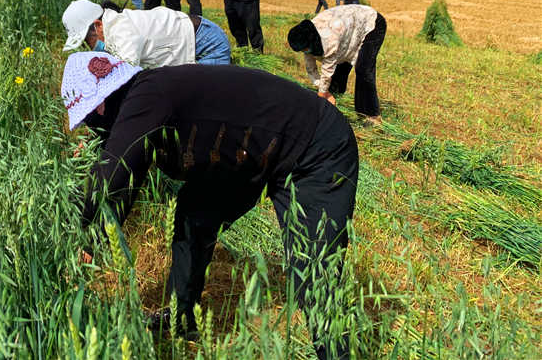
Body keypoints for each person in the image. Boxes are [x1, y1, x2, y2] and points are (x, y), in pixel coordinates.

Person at [61, 52, 357, 360]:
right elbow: (125, 182)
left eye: (87, 119)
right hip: (248, 153)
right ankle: (182, 318)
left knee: (313, 269)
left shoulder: (147, 97)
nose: (90, 129)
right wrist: (92, 243)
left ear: (101, 103)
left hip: (316, 147)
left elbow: (109, 176)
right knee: (194, 216)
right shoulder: (145, 102)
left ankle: (335, 355)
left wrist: (59, 220)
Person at [287, 4, 386, 122]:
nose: (305, 52)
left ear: (313, 41)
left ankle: (371, 115)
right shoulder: (307, 35)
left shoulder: (329, 40)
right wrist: (323, 89)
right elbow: (310, 68)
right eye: (302, 51)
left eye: (305, 49)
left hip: (371, 23)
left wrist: (322, 97)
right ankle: (336, 94)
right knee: (339, 66)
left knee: (363, 69)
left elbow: (327, 70)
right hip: (348, 28)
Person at [62, 0, 230, 67]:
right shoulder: (111, 29)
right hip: (190, 42)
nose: (89, 47)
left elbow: (125, 77)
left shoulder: (123, 31)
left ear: (97, 25)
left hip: (207, 42)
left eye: (87, 41)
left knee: (206, 102)